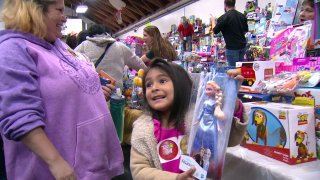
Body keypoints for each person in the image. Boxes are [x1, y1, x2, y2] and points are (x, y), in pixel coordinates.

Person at [0, 0, 123, 179]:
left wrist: (94, 95)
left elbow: (64, 94)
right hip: (60, 172)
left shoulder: (58, 45)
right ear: (34, 11)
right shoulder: (12, 49)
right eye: (59, 10)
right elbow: (18, 115)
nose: (65, 17)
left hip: (92, 165)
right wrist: (55, 162)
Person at [130, 58, 248, 180]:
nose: (154, 88)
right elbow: (140, 171)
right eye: (148, 84)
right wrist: (175, 178)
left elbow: (230, 139)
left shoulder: (198, 118)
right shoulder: (143, 130)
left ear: (181, 84)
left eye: (162, 81)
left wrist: (231, 101)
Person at [75, 24, 147, 90]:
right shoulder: (120, 47)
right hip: (116, 97)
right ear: (106, 33)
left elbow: (69, 67)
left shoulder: (83, 46)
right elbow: (142, 67)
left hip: (93, 95)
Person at [213, 0, 248, 67]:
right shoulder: (242, 16)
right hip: (242, 47)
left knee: (233, 72)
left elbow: (215, 31)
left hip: (232, 48)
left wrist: (213, 21)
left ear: (225, 5)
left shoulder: (223, 18)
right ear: (234, 4)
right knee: (240, 71)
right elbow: (245, 31)